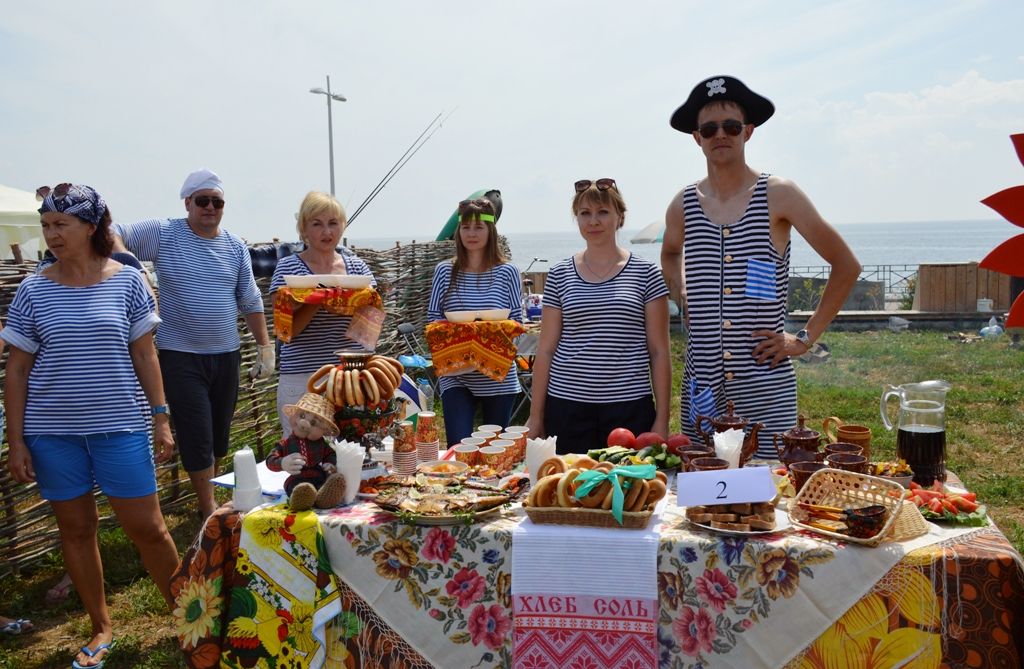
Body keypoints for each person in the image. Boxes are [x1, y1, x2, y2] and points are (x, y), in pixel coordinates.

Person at [3, 184, 180, 668]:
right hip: (51, 433)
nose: (52, 235)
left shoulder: (127, 282)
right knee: (76, 529)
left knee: (150, 528)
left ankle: (189, 618)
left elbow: (145, 354)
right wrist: (16, 439)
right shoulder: (33, 289)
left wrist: (161, 416)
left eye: (61, 225)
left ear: (91, 226)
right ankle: (102, 627)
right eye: (46, 226)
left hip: (120, 426)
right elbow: (16, 369)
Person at [661, 75, 861, 458]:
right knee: (704, 497)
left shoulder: (778, 194)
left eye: (731, 126)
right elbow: (670, 253)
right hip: (702, 394)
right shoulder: (683, 204)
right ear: (697, 137)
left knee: (768, 500)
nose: (721, 135)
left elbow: (845, 264)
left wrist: (803, 338)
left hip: (765, 389)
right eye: (709, 128)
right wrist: (682, 291)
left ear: (748, 132)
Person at [114, 169, 274, 519]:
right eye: (202, 201)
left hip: (226, 355)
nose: (210, 208)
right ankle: (208, 508)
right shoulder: (165, 233)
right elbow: (113, 233)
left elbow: (249, 298)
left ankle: (211, 496)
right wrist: (134, 270)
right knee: (196, 431)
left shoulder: (234, 246)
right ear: (187, 202)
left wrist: (265, 347)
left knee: (219, 433)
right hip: (180, 355)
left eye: (217, 202)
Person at [526, 180, 671, 453]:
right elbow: (545, 350)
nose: (594, 221)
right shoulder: (559, 275)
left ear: (620, 217)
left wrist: (661, 420)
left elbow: (659, 351)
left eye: (603, 212)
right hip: (566, 406)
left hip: (629, 408)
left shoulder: (647, 274)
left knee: (634, 492)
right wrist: (536, 416)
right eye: (585, 213)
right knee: (567, 490)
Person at [270, 191, 376, 435]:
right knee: (302, 454)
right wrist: (319, 298)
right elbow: (286, 332)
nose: (326, 232)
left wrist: (351, 301)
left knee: (354, 449)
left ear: (342, 227)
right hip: (303, 378)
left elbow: (368, 335)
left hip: (348, 378)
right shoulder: (289, 269)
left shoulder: (357, 269)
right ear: (303, 229)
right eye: (317, 224)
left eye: (332, 223)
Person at [427, 198, 523, 445]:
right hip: (456, 372)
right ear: (458, 231)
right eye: (466, 227)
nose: (472, 233)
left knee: (494, 452)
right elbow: (433, 318)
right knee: (459, 448)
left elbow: (516, 321)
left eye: (479, 227)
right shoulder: (444, 271)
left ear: (491, 230)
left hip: (498, 376)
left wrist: (488, 337)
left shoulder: (508, 272)